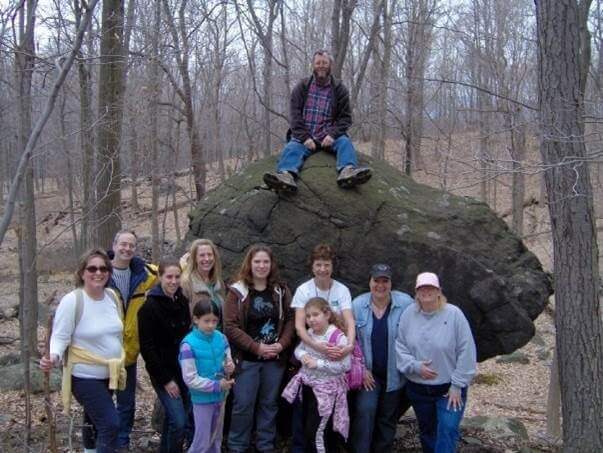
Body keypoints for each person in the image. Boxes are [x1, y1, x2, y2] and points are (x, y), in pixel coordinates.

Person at [40, 248, 125, 453]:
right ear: (82, 272)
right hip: (84, 376)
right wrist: (54, 356)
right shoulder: (73, 301)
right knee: (110, 424)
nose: (98, 273)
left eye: (104, 268)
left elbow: (116, 332)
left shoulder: (112, 297)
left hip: (109, 374)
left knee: (94, 420)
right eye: (92, 268)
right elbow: (60, 336)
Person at [263, 49, 371, 193]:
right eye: (318, 63)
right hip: (305, 137)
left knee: (345, 143)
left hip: (329, 137)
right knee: (291, 149)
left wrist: (332, 135)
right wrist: (305, 138)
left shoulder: (339, 89)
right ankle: (285, 177)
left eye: (324, 63)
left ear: (330, 65)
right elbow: (295, 116)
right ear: (313, 65)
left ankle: (347, 172)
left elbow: (345, 118)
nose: (321, 66)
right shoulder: (302, 87)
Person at [223, 244, 295, 453]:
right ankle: (237, 446)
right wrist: (256, 348)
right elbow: (230, 326)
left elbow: (290, 319)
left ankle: (265, 445)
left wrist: (281, 344)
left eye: (265, 261)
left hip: (274, 360)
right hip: (247, 360)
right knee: (243, 405)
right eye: (257, 262)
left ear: (271, 264)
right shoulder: (238, 291)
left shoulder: (280, 290)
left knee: (269, 404)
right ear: (249, 264)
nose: (261, 266)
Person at [395, 272, 477, 453]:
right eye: (421, 288)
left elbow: (467, 350)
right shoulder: (409, 314)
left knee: (447, 429)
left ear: (439, 290)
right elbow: (400, 347)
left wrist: (457, 384)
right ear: (416, 292)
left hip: (448, 390)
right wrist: (415, 366)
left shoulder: (454, 314)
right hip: (419, 388)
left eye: (430, 288)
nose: (426, 292)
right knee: (428, 432)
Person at [289, 243, 355, 452]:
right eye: (319, 265)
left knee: (325, 424)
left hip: (333, 368)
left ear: (332, 266)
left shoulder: (341, 290)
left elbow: (350, 321)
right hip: (310, 367)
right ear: (312, 266)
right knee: (307, 418)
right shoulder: (304, 290)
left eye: (326, 265)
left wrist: (349, 346)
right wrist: (316, 347)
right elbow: (300, 326)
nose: (323, 269)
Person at [350, 264, 413, 453]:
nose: (380, 285)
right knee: (365, 411)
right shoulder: (357, 305)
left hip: (395, 374)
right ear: (370, 282)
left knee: (387, 418)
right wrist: (361, 369)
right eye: (376, 280)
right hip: (369, 375)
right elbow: (351, 341)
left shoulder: (406, 303)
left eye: (385, 281)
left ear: (391, 283)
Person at [109, 229, 158, 451]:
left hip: (128, 353)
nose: (127, 249)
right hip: (102, 353)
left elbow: (168, 272)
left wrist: (186, 262)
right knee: (100, 403)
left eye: (131, 245)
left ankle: (122, 444)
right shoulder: (100, 271)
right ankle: (100, 443)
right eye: (123, 244)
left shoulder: (142, 273)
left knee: (126, 404)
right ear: (115, 245)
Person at [282, 297, 351, 453]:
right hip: (307, 387)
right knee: (305, 427)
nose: (311, 320)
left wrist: (318, 363)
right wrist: (303, 357)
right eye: (308, 316)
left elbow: (345, 365)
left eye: (315, 315)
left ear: (327, 314)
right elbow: (299, 349)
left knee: (317, 433)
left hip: (326, 393)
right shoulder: (310, 333)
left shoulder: (337, 337)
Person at [138, 258, 192, 453]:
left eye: (177, 277)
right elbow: (147, 349)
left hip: (184, 370)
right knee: (179, 422)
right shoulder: (148, 308)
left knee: (174, 421)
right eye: (169, 276)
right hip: (163, 373)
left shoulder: (183, 301)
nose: (173, 281)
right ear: (160, 277)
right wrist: (166, 380)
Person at [180, 297, 235, 453]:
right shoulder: (188, 345)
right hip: (202, 400)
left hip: (220, 397)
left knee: (216, 439)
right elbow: (190, 378)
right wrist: (216, 385)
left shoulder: (221, 338)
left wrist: (229, 367)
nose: (211, 325)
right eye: (207, 321)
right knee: (202, 441)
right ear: (196, 320)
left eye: (214, 321)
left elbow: (227, 361)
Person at [180, 238, 226, 322]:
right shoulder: (186, 283)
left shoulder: (218, 282)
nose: (207, 259)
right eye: (202, 255)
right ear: (195, 258)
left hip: (219, 334)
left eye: (209, 254)